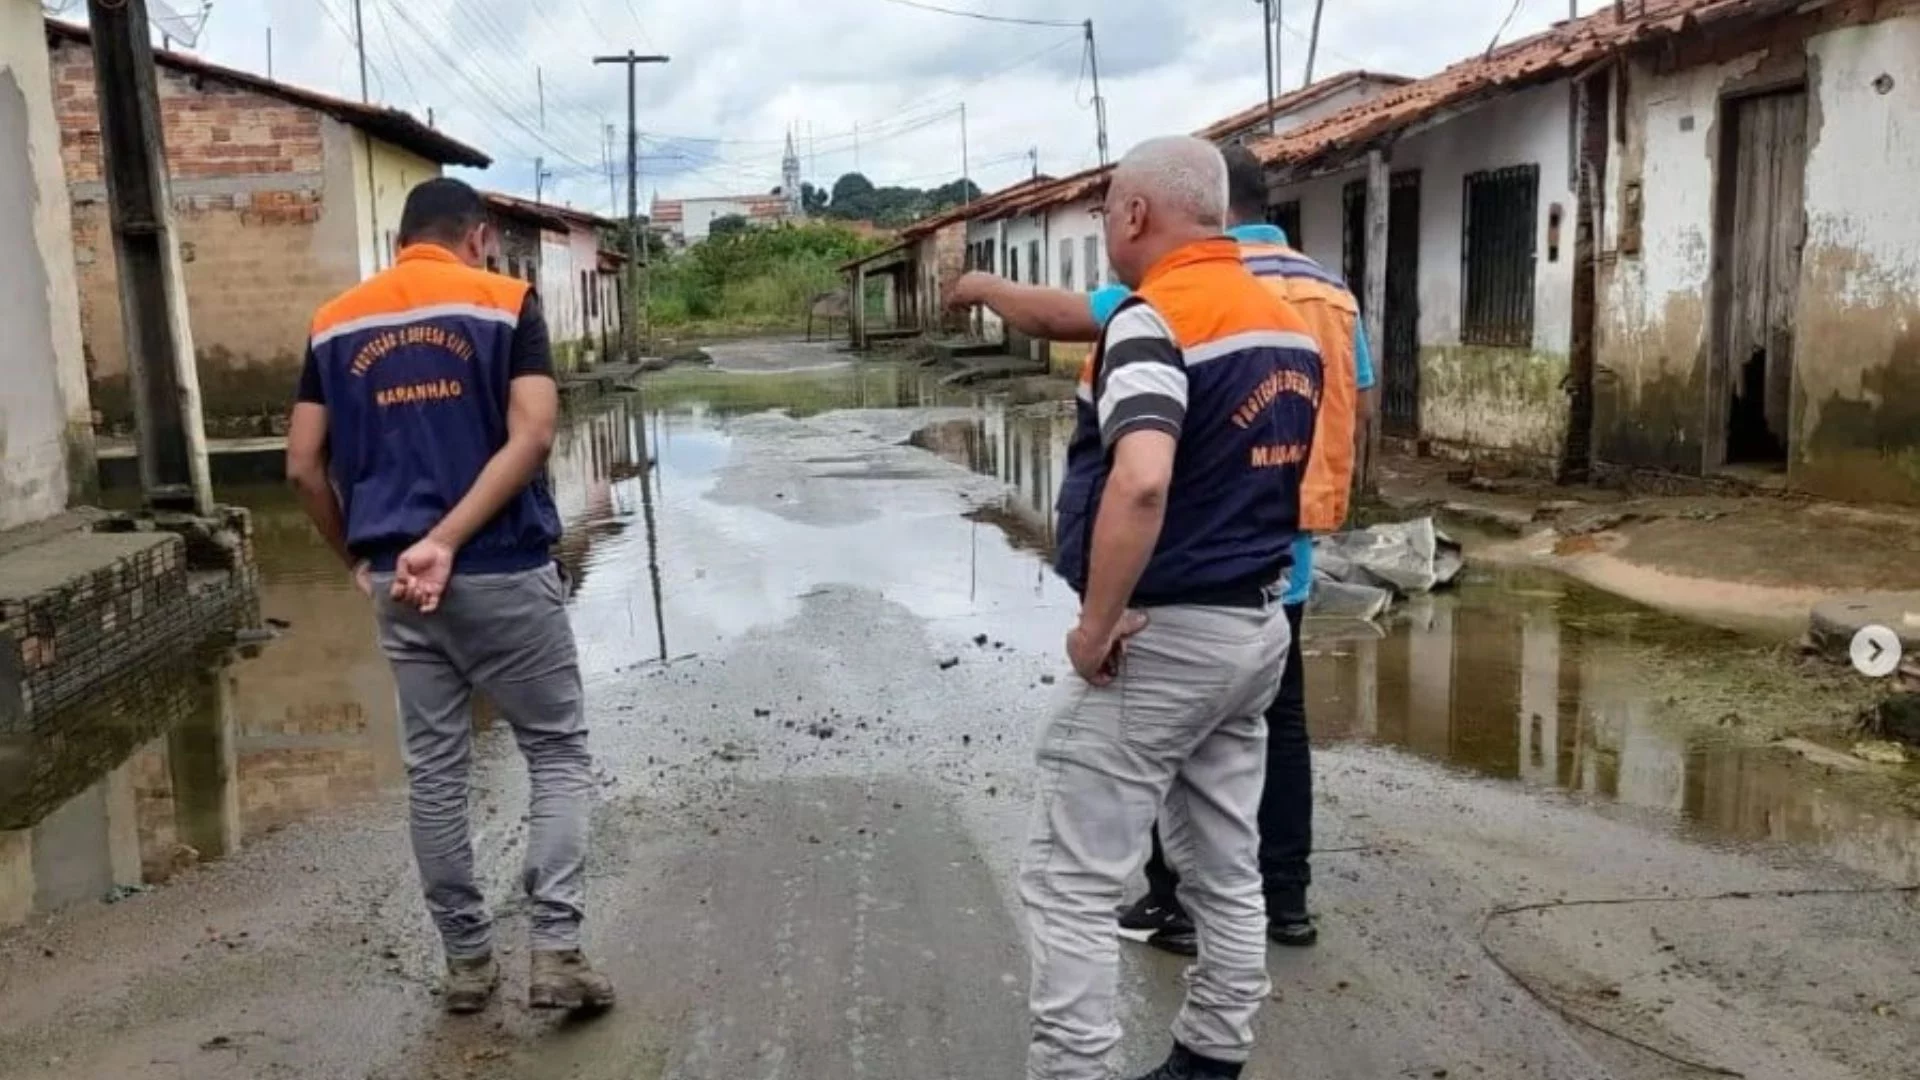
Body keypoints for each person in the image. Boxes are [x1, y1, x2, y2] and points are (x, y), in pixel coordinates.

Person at [948, 142, 1374, 956]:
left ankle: (1172, 901)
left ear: (1161, 209)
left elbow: (1137, 468)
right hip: (1281, 540)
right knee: (1273, 725)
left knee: (1155, 736)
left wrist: (981, 287)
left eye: (1112, 212)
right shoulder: (1326, 293)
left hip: (1182, 554)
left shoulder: (1170, 295)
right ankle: (1285, 898)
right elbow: (1358, 395)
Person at [1013, 136, 1322, 1080]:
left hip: (1167, 633)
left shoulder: (1153, 321)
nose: (1110, 229)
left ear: (1137, 214)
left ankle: (1077, 1069)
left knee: (1068, 880)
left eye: (1109, 212)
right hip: (1257, 625)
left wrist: (1095, 626)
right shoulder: (1285, 322)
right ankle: (1212, 1055)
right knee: (1223, 863)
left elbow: (1143, 480)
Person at [286, 178, 613, 1016]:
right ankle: (556, 951)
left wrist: (361, 559)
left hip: (398, 580)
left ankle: (468, 964)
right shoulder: (503, 303)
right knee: (555, 750)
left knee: (436, 771)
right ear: (476, 237)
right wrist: (451, 539)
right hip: (501, 567)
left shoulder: (335, 321)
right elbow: (533, 434)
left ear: (401, 240)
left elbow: (303, 465)